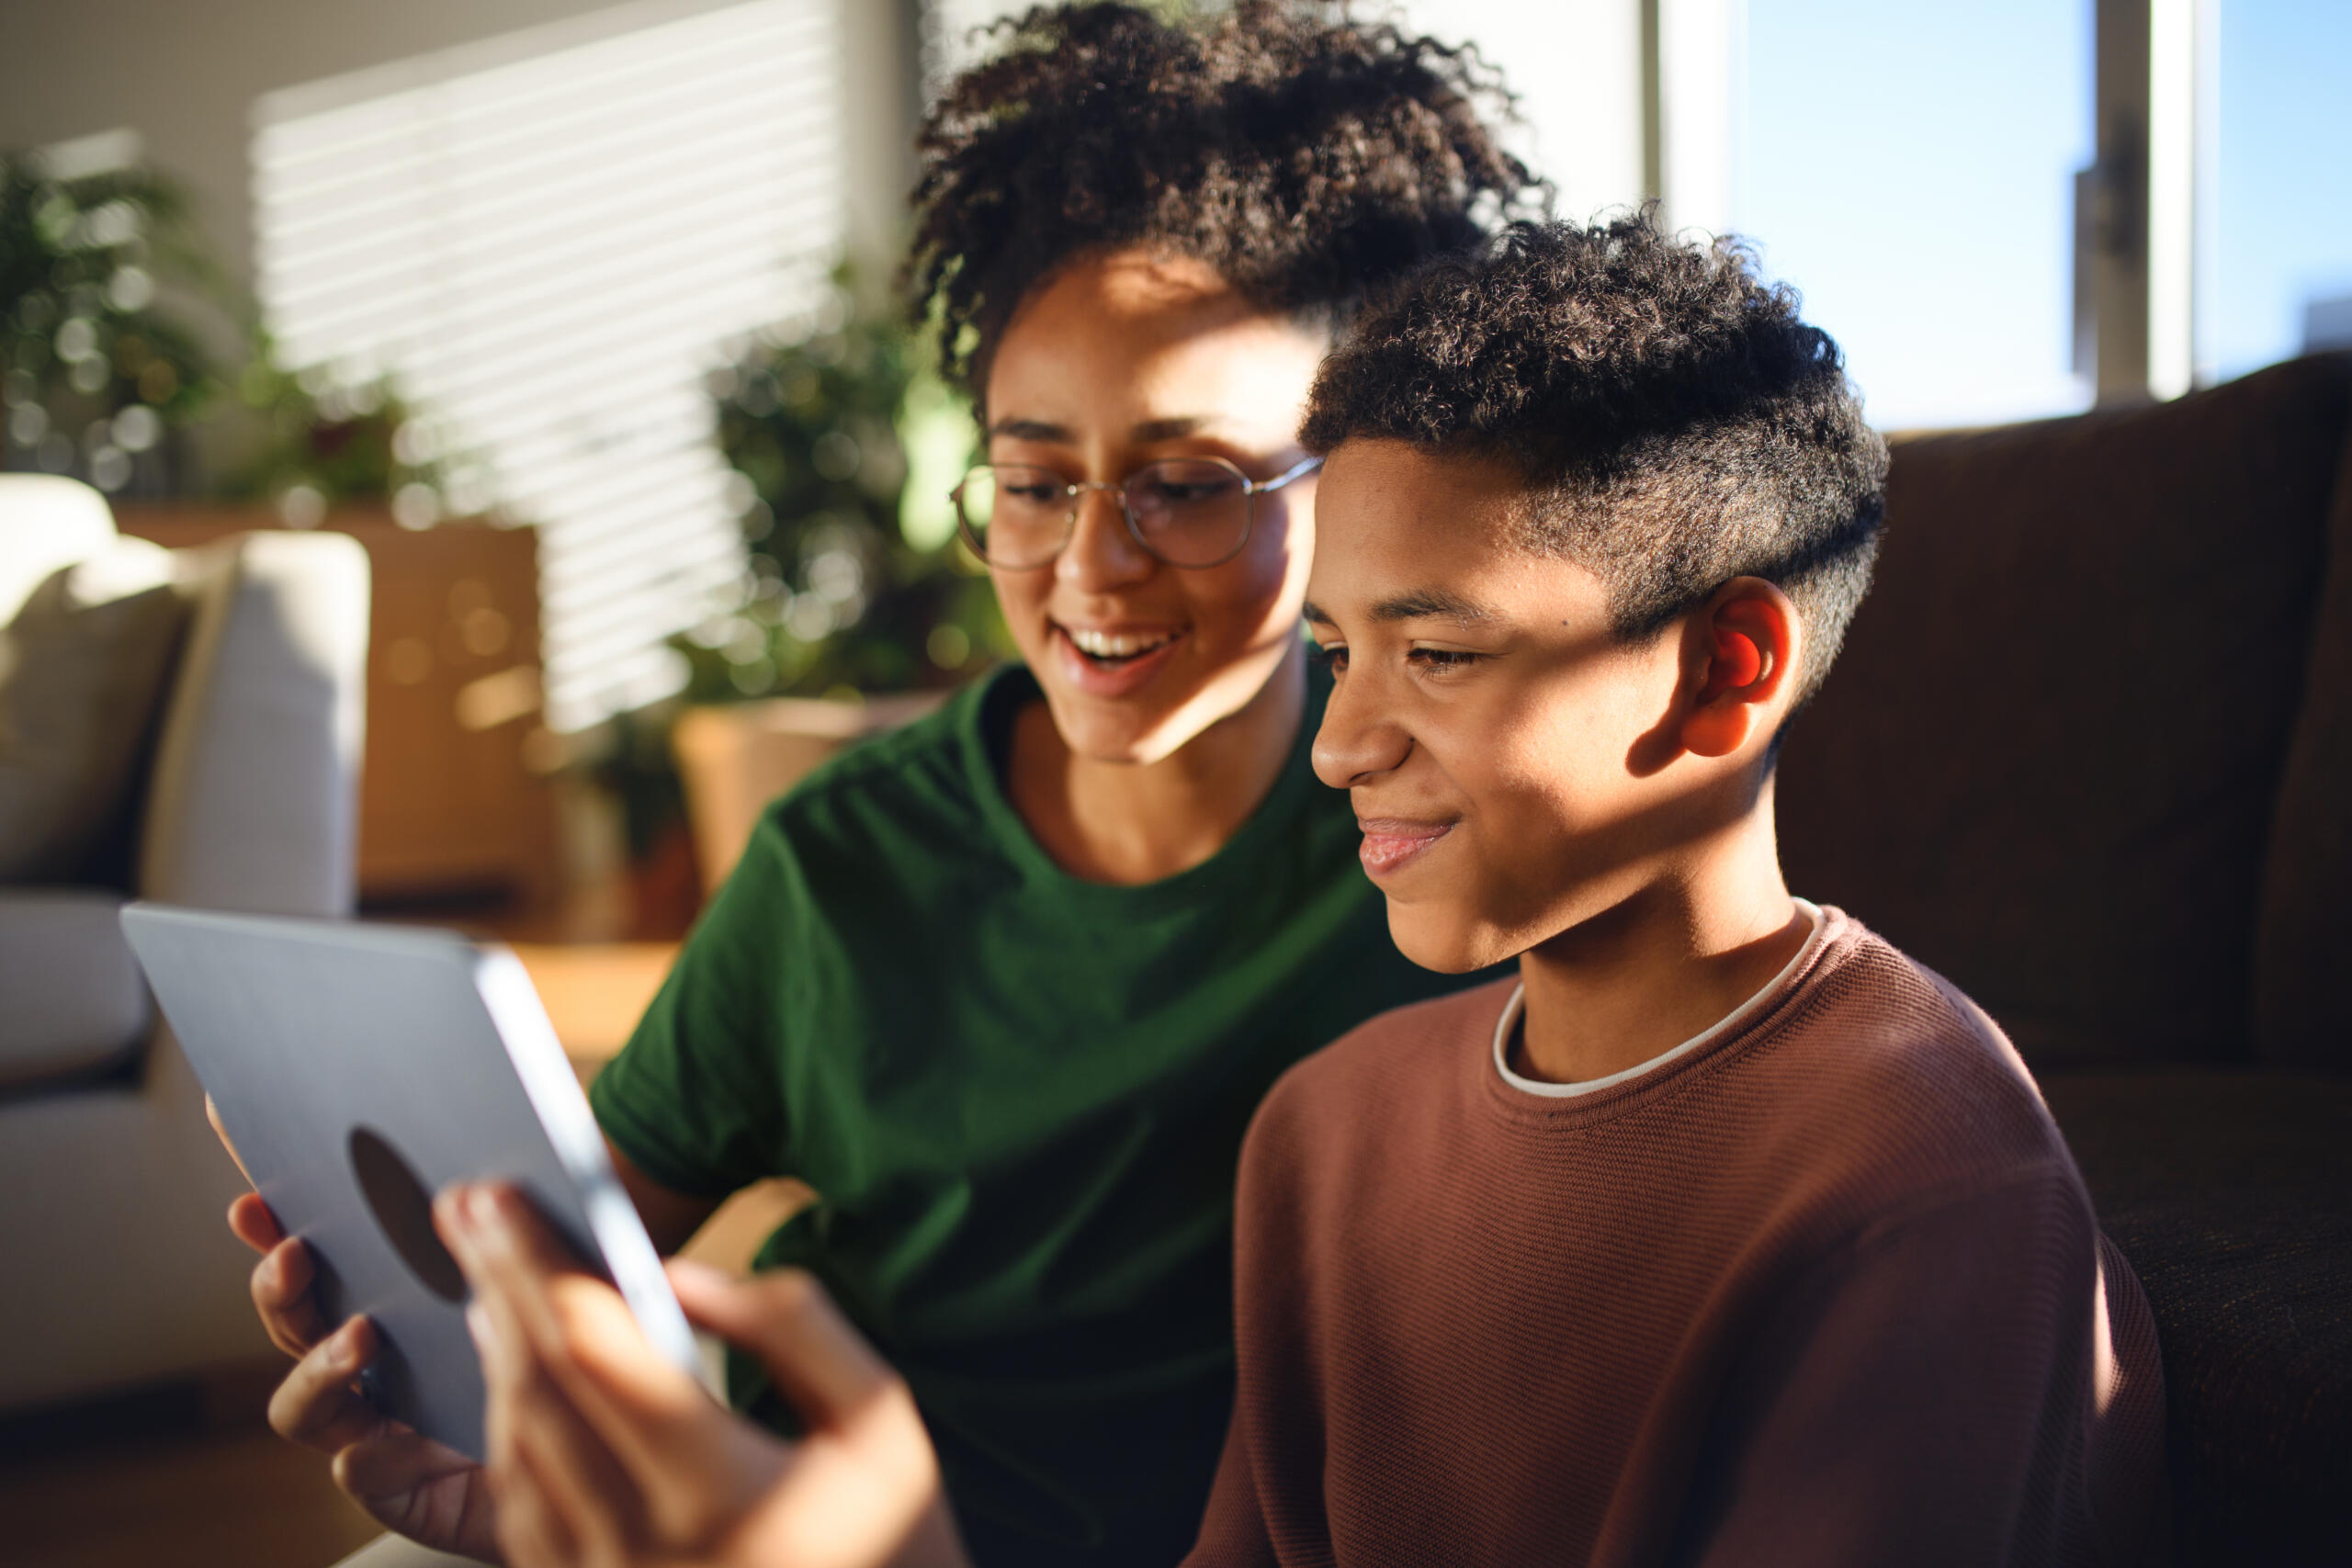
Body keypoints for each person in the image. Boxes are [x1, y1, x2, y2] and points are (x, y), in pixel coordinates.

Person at [432, 214, 2169, 1568]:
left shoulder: (1920, 1192)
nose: (1341, 745)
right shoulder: (1327, 1135)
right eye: (1337, 649)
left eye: (1440, 650)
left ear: (1723, 673)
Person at [222, 6, 1543, 1565]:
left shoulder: (1455, 836)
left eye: (1188, 486)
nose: (1091, 567)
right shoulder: (841, 863)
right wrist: (439, 1337)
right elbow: (596, 1240)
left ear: (1363, 475)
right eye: (1038, 481)